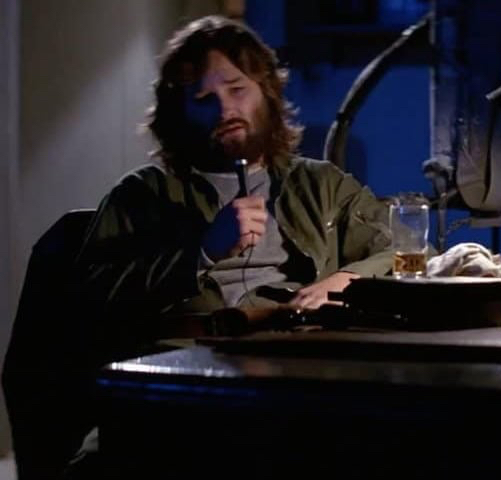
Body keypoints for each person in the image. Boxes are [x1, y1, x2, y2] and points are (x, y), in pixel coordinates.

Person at [74, 15, 393, 361]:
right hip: (184, 363)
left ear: (267, 92)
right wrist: (202, 253)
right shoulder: (142, 194)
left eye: (237, 90)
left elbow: (406, 251)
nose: (225, 109)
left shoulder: (321, 185)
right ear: (179, 112)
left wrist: (344, 281)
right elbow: (87, 297)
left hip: (298, 357)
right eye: (203, 98)